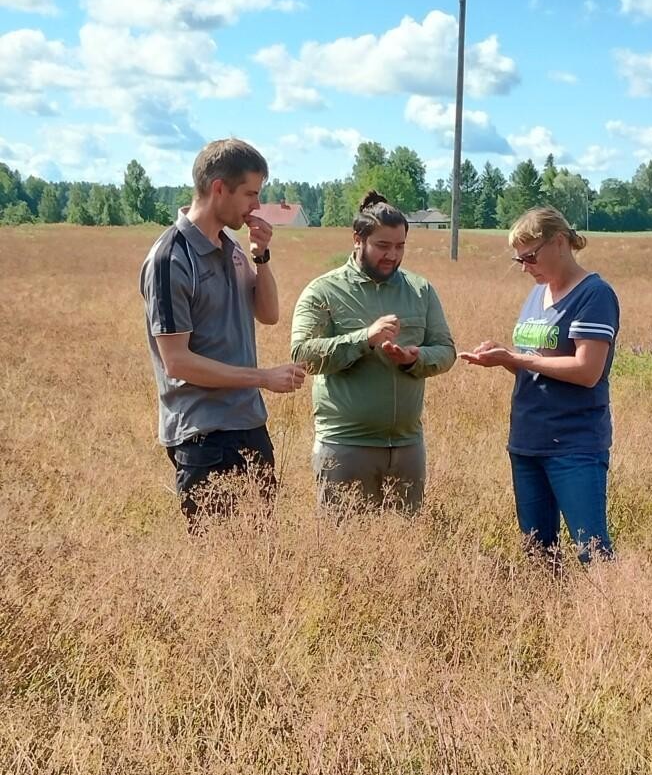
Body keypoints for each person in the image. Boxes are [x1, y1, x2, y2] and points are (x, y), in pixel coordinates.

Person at [140, 138, 306, 528]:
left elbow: (268, 314)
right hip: (204, 438)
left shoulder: (230, 249)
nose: (255, 206)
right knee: (220, 565)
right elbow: (177, 362)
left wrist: (260, 256)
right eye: (250, 193)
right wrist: (263, 378)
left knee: (259, 559)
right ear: (218, 188)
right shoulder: (170, 259)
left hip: (248, 426)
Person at [460, 205, 620, 568]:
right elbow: (537, 368)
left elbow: (586, 371)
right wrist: (503, 359)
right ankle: (550, 617)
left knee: (592, 551)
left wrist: (515, 358)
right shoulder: (538, 293)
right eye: (519, 260)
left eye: (531, 256)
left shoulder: (594, 294)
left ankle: (609, 618)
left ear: (560, 242)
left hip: (574, 444)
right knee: (537, 552)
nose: (526, 267)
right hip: (527, 441)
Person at [290, 190, 456, 513]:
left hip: (408, 449)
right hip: (345, 447)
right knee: (346, 555)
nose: (392, 255)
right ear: (357, 238)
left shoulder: (420, 291)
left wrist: (416, 359)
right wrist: (364, 338)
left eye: (400, 246)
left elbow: (446, 350)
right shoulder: (323, 291)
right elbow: (303, 355)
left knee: (407, 550)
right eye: (382, 246)